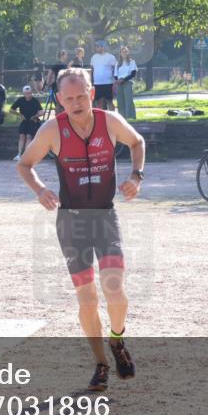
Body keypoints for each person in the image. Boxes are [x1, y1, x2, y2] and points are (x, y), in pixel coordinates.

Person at [16, 67, 146, 392]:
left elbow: (137, 141)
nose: (75, 103)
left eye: (81, 96)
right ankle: (101, 363)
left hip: (104, 216)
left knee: (114, 287)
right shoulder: (52, 130)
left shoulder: (108, 121)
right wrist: (40, 190)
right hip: (71, 220)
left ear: (91, 93)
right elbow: (24, 164)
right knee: (87, 298)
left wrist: (136, 176)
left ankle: (117, 339)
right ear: (59, 100)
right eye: (68, 98)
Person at [10, 85, 44, 160]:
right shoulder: (20, 100)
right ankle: (19, 154)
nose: (28, 95)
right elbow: (11, 110)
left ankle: (26, 155)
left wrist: (35, 116)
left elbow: (41, 112)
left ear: (31, 93)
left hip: (33, 121)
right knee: (22, 136)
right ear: (24, 94)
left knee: (29, 136)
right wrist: (20, 115)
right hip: (24, 120)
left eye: (29, 93)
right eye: (26, 93)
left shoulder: (35, 100)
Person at [90, 40, 118, 111]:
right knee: (99, 101)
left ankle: (113, 116)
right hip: (97, 83)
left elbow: (114, 69)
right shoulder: (94, 57)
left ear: (103, 47)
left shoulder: (111, 57)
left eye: (98, 46)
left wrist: (115, 81)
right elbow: (92, 69)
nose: (96, 48)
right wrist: (91, 81)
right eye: (96, 46)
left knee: (110, 101)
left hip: (108, 83)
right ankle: (101, 116)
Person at [114, 46, 138, 119]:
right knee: (120, 102)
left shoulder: (131, 62)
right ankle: (122, 118)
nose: (124, 53)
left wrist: (123, 80)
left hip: (127, 82)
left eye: (125, 51)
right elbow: (115, 74)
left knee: (128, 101)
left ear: (128, 53)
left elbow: (133, 74)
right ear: (120, 53)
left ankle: (130, 117)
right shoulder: (118, 63)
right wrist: (117, 80)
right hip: (119, 83)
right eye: (122, 52)